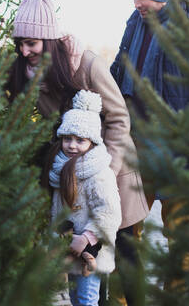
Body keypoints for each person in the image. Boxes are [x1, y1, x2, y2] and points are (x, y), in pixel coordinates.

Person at [5, 0, 150, 305]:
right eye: (20, 43)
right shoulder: (28, 72)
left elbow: (118, 118)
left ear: (48, 38)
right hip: (69, 181)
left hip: (112, 176)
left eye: (31, 42)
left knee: (123, 253)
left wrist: (104, 174)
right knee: (81, 259)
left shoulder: (86, 65)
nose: (23, 50)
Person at [110, 0, 189, 293]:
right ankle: (121, 300)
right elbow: (120, 68)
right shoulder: (136, 22)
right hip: (135, 144)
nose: (137, 3)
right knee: (124, 227)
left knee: (179, 234)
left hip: (177, 149)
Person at [43, 90, 122, 305]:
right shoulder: (60, 168)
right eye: (67, 139)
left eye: (80, 140)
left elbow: (110, 213)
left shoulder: (99, 174)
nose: (72, 145)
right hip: (68, 248)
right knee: (76, 298)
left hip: (91, 252)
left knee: (87, 299)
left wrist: (87, 238)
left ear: (92, 143)